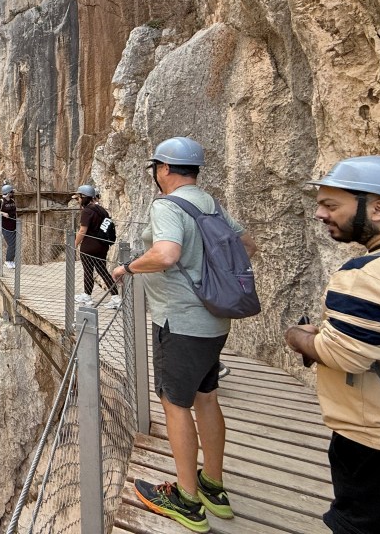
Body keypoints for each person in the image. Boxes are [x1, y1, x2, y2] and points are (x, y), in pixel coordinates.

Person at [111, 137, 257, 533]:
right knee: (206, 399)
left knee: (175, 404)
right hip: (214, 323)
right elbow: (247, 244)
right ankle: (213, 484)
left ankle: (187, 500)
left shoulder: (166, 206)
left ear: (163, 169)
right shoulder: (209, 203)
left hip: (180, 323)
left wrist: (128, 268)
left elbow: (167, 254)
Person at [285, 156, 380, 534]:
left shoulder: (365, 276)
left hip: (369, 437)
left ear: (377, 207)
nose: (320, 214)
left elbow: (344, 353)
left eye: (331, 205)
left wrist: (298, 337)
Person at [74, 184, 120, 309]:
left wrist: (74, 244)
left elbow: (82, 230)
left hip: (89, 246)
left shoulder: (87, 211)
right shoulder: (102, 210)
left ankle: (87, 297)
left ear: (84, 197)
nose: (77, 201)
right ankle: (116, 298)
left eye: (78, 198)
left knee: (88, 271)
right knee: (102, 270)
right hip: (102, 245)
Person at [0, 184, 17, 268]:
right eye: (11, 191)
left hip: (14, 226)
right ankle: (8, 261)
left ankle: (11, 261)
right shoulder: (0, 201)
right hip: (6, 226)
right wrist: (3, 213)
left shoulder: (12, 201)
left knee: (15, 244)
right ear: (8, 193)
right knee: (11, 244)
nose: (13, 193)